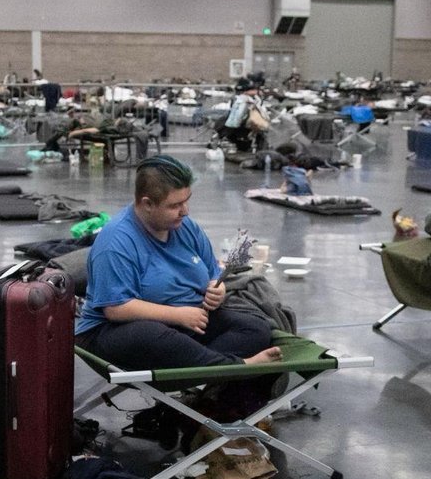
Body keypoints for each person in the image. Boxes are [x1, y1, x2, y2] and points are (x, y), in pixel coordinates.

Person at [77, 156, 281, 383]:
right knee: (152, 335)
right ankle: (237, 367)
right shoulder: (116, 242)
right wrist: (178, 315)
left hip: (187, 321)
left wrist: (216, 288)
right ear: (147, 204)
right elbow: (116, 308)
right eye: (174, 205)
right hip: (114, 331)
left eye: (186, 201)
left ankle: (198, 370)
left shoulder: (185, 227)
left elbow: (213, 270)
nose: (185, 211)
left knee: (256, 328)